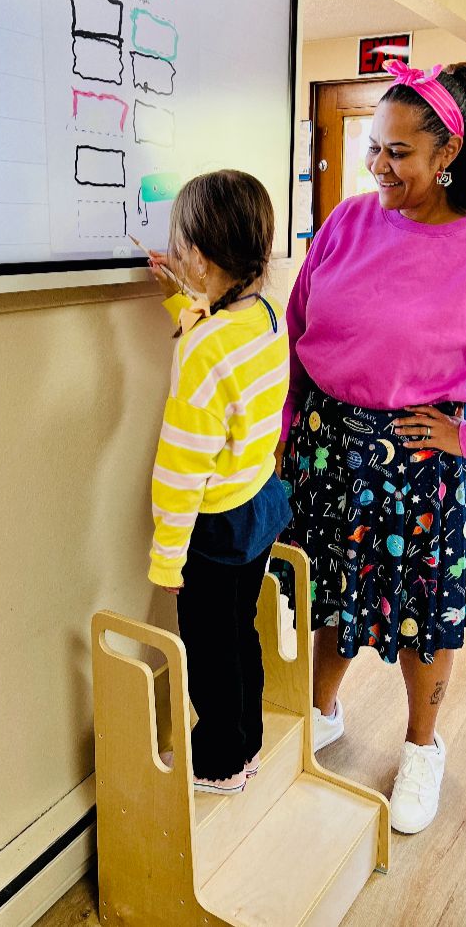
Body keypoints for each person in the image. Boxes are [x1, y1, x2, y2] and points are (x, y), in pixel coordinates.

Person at [274, 61, 466, 833]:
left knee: (422, 616)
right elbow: (302, 322)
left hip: (418, 464)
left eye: (399, 154)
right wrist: (289, 431)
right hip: (326, 447)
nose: (378, 167)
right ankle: (321, 710)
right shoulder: (349, 219)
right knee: (328, 592)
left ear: (446, 153)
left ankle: (422, 748)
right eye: (374, 149)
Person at [147, 169, 292, 795]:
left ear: (202, 260)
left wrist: (165, 558)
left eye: (181, 248)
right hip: (257, 502)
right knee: (240, 633)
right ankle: (247, 746)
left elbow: (182, 466)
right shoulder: (265, 315)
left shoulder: (205, 348)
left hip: (214, 525)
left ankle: (219, 764)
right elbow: (218, 349)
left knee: (210, 651)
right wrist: (179, 295)